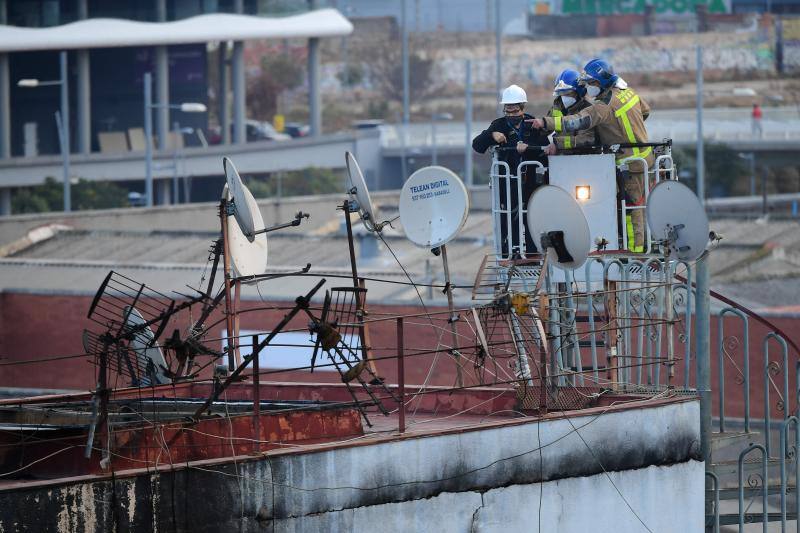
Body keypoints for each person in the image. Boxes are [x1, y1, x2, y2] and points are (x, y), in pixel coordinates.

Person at [530, 59, 652, 252]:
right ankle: (633, 247)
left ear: (601, 82)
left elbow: (577, 122)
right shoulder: (627, 93)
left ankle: (635, 252)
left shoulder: (602, 107)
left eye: (591, 83)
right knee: (629, 205)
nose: (588, 87)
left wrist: (546, 123)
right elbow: (645, 111)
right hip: (643, 158)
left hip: (630, 163)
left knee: (631, 209)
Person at [472, 84, 552, 256]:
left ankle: (532, 254)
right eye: (508, 111)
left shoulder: (533, 124)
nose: (511, 115)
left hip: (531, 181)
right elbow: (477, 145)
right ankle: (512, 251)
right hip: (507, 183)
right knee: (509, 217)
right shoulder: (498, 125)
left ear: (522, 108)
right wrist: (491, 136)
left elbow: (545, 148)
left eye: (515, 111)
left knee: (530, 216)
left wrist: (528, 147)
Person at [547, 69, 595, 152]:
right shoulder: (557, 106)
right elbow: (546, 127)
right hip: (560, 157)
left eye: (568, 93)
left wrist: (558, 143)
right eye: (561, 94)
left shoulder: (589, 109)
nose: (564, 98)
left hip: (582, 158)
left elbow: (586, 139)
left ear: (579, 92)